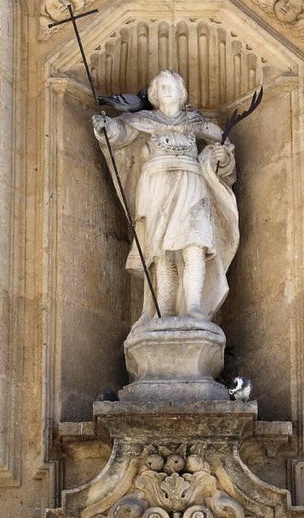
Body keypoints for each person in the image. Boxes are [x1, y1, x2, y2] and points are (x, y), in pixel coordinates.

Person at [93, 70, 239, 326]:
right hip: (158, 189)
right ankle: (166, 311)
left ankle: (194, 308)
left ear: (182, 93)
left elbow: (223, 144)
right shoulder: (143, 120)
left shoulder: (197, 122)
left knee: (195, 247)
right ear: (154, 94)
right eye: (161, 87)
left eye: (172, 86)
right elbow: (120, 134)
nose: (167, 91)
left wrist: (223, 157)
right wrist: (106, 126)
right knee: (164, 254)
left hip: (192, 187)